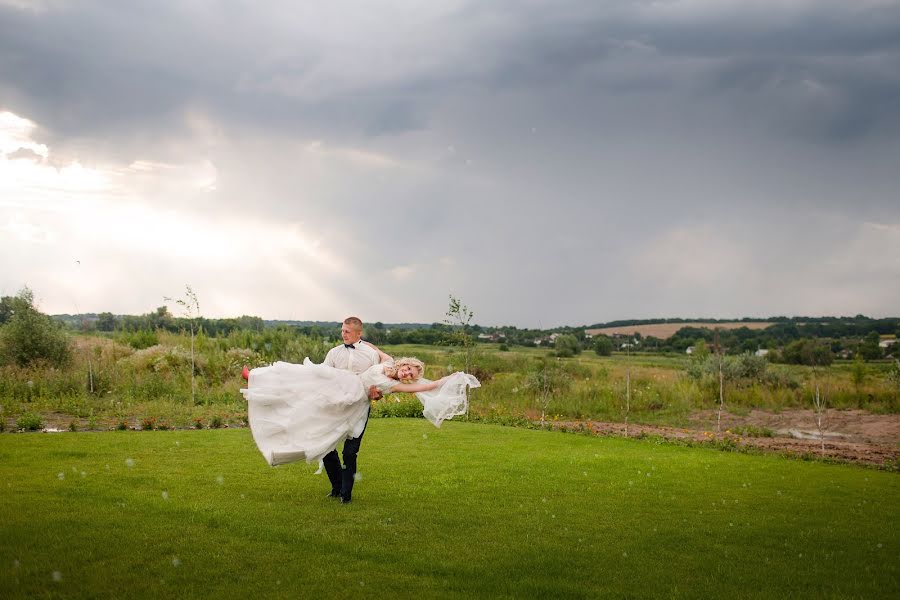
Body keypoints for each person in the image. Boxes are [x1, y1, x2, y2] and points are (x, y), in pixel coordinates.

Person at [241, 318, 479, 504]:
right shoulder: (385, 360)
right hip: (339, 390)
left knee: (350, 452)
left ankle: (346, 494)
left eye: (410, 375)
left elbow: (427, 385)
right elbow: (373, 346)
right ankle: (258, 378)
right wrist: (362, 343)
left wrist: (450, 378)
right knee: (309, 378)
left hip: (357, 404)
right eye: (408, 369)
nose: (407, 374)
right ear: (404, 363)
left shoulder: (394, 386)